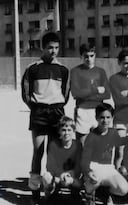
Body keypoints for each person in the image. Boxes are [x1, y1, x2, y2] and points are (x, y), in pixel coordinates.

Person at [21, 32, 70, 204]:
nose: (54, 51)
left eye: (56, 48)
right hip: (39, 114)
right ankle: (34, 191)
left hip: (57, 113)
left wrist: (55, 106)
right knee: (38, 152)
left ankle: (51, 190)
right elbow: (26, 94)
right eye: (50, 47)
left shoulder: (63, 70)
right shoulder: (33, 69)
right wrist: (37, 108)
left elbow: (66, 94)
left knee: (54, 153)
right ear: (43, 47)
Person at [81, 103, 128, 205]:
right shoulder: (91, 137)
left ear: (112, 118)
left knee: (123, 189)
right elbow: (85, 159)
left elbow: (120, 142)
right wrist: (88, 172)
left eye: (108, 117)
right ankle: (88, 194)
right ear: (96, 118)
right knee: (94, 179)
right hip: (94, 167)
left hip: (108, 168)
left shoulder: (113, 132)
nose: (105, 120)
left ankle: (103, 193)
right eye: (102, 117)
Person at [70, 43, 111, 145]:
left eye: (91, 56)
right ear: (81, 57)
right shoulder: (75, 71)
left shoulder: (101, 72)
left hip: (98, 111)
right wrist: (95, 90)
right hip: (82, 110)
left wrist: (85, 94)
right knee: (82, 144)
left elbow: (107, 94)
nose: (89, 59)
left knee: (99, 144)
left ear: (95, 55)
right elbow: (75, 93)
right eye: (86, 56)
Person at [41, 116, 82, 203]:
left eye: (69, 130)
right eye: (63, 130)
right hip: (58, 177)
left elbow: (79, 164)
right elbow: (50, 165)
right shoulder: (53, 144)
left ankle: (76, 193)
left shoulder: (78, 145)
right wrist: (61, 175)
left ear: (73, 131)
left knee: (86, 178)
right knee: (46, 176)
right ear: (59, 131)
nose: (66, 133)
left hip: (72, 177)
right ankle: (49, 194)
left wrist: (71, 175)